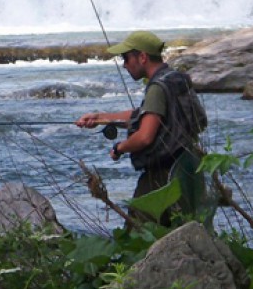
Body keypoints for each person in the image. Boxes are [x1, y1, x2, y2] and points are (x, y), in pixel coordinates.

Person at [76, 31, 210, 228]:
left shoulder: (157, 88)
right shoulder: (175, 79)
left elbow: (145, 137)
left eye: (126, 58)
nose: (124, 64)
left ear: (142, 57)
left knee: (138, 231)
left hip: (162, 175)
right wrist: (100, 118)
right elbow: (143, 114)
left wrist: (119, 148)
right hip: (187, 168)